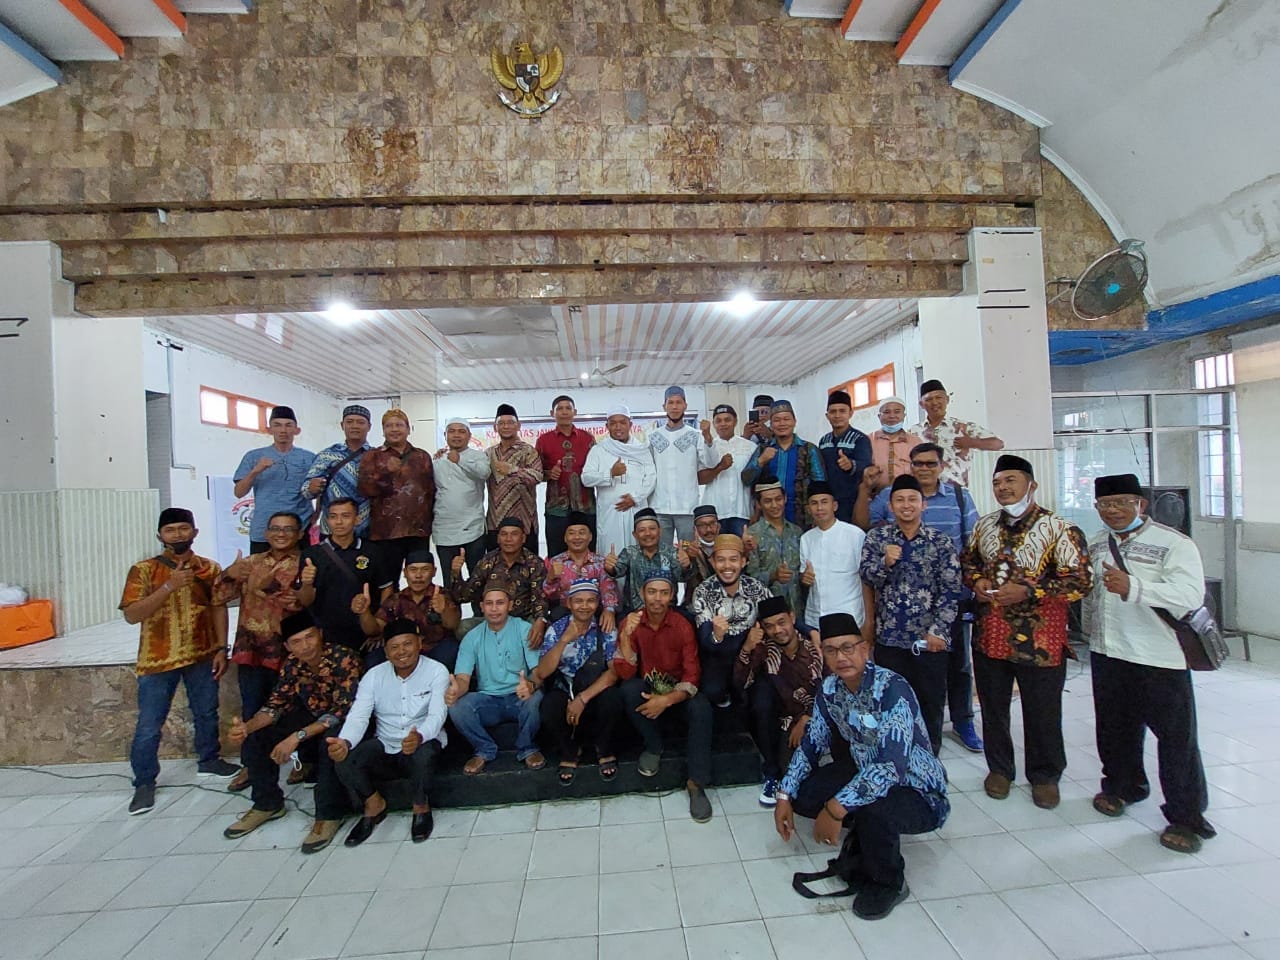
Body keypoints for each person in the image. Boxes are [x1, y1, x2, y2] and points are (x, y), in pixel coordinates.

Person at [774, 613, 949, 921]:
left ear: (864, 649)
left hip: (916, 789)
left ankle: (889, 882)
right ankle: (866, 836)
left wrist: (835, 809)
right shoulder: (830, 689)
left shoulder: (892, 689)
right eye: (831, 650)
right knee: (806, 795)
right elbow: (813, 743)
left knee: (873, 808)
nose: (841, 658)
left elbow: (890, 767)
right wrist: (784, 795)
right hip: (864, 770)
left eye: (848, 648)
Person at [1085, 474, 1215, 854]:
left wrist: (1135, 587)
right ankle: (1123, 787)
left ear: (1141, 504)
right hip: (1109, 653)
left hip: (1159, 658)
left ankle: (1186, 817)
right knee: (1114, 730)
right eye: (1105, 504)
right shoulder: (1097, 544)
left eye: (1121, 503)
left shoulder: (1174, 543)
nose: (1112, 510)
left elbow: (1190, 595)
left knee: (1176, 740)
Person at [961, 455, 1092, 809]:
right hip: (991, 635)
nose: (1003, 487)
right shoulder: (985, 526)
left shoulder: (1059, 528)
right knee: (993, 709)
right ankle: (1000, 769)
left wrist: (1030, 591)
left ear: (1031, 485)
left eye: (1011, 480)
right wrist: (978, 581)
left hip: (1041, 640)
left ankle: (1045, 775)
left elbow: (1081, 581)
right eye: (997, 482)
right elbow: (968, 562)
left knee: (1042, 711)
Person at [857, 442, 983, 753]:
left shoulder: (940, 542)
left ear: (923, 504)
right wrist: (885, 562)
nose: (906, 505)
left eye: (912, 499)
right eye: (899, 500)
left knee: (930, 701)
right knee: (891, 700)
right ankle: (895, 755)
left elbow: (951, 590)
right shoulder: (877, 539)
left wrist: (938, 631)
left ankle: (928, 758)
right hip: (890, 637)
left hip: (930, 639)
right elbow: (867, 577)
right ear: (890, 506)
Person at [119, 507, 238, 816]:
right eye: (170, 530)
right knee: (150, 724)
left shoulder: (209, 568)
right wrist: (169, 586)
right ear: (160, 536)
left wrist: (221, 648)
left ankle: (209, 760)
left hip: (202, 654)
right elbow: (132, 614)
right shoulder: (144, 570)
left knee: (206, 712)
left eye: (183, 528)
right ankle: (144, 782)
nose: (177, 535)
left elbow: (218, 607)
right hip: (158, 659)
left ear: (194, 532)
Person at [222, 610, 360, 853]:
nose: (306, 646)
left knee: (330, 743)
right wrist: (247, 727)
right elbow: (275, 705)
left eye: (310, 637)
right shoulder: (292, 665)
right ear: (287, 646)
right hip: (311, 718)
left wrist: (296, 737)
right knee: (258, 736)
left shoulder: (344, 658)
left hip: (346, 722)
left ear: (320, 634)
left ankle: (328, 815)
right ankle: (267, 804)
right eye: (296, 642)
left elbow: (342, 711)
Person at [327, 619, 450, 845]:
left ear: (419, 643)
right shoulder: (374, 676)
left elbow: (437, 715)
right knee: (344, 758)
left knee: (425, 754)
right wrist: (345, 741)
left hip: (422, 740)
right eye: (394, 647)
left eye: (407, 644)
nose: (402, 652)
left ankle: (420, 807)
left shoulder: (436, 671)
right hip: (386, 742)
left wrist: (419, 736)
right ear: (385, 652)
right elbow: (359, 716)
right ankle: (374, 804)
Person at [212, 511, 304, 792]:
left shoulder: (307, 563)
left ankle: (303, 761)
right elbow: (217, 597)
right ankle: (252, 765)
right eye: (275, 528)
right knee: (252, 708)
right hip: (251, 650)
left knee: (299, 708)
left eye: (288, 529)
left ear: (300, 534)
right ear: (266, 533)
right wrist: (229, 574)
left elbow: (303, 603)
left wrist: (271, 587)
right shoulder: (251, 563)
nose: (281, 534)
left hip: (291, 651)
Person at [612, 573, 715, 822]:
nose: (657, 599)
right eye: (652, 592)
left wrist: (667, 700)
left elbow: (692, 676)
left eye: (664, 593)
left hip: (677, 694)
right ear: (642, 593)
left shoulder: (682, 625)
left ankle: (696, 783)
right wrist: (625, 636)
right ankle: (654, 746)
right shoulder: (631, 622)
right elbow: (625, 673)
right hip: (648, 693)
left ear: (672, 596)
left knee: (701, 707)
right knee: (628, 690)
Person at [531, 579, 625, 784]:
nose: (584, 606)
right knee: (549, 705)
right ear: (569, 603)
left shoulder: (605, 628)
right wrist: (564, 640)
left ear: (597, 603)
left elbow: (614, 672)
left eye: (590, 601)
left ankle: (604, 748)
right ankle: (570, 750)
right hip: (565, 688)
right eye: (578, 601)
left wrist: (582, 699)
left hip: (594, 688)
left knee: (613, 698)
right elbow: (543, 672)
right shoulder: (557, 629)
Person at [445, 583, 545, 773]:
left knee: (536, 698)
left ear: (510, 605)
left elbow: (538, 671)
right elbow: (463, 679)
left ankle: (527, 748)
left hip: (519, 696)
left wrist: (531, 685)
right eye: (489, 603)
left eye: (500, 603)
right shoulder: (472, 637)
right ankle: (484, 749)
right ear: (481, 607)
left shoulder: (524, 629)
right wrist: (456, 690)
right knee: (457, 706)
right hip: (488, 700)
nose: (494, 608)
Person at [733, 595, 822, 806]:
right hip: (782, 722)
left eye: (782, 622)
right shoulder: (765, 649)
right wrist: (747, 648)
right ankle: (772, 772)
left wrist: (807, 717)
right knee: (761, 697)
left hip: (814, 718)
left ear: (792, 618)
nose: (777, 630)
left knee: (806, 787)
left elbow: (831, 691)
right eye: (770, 626)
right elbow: (740, 684)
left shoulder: (815, 647)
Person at [297, 498, 395, 655]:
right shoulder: (312, 554)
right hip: (325, 635)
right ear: (327, 520)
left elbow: (387, 588)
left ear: (357, 519)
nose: (339, 522)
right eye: (333, 516)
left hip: (363, 633)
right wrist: (307, 583)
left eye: (345, 516)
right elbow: (304, 601)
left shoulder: (373, 551)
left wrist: (378, 624)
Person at [690, 533, 772, 708]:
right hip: (718, 659)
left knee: (763, 696)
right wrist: (717, 636)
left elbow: (778, 614)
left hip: (751, 660)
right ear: (712, 562)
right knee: (712, 691)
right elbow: (706, 642)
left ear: (743, 562)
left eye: (733, 559)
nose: (727, 566)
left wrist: (810, 631)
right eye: (721, 560)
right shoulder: (703, 591)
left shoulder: (756, 587)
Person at [357, 408, 435, 576]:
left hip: (418, 532)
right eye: (389, 426)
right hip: (385, 533)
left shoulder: (422, 457)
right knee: (387, 581)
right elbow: (364, 490)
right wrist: (385, 472)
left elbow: (431, 492)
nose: (394, 429)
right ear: (383, 430)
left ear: (408, 429)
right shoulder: (372, 456)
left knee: (420, 577)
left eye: (399, 425)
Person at [451, 516, 549, 647]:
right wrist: (456, 573)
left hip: (523, 620)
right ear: (498, 538)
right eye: (504, 534)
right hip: (493, 620)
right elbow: (465, 596)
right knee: (462, 628)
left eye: (514, 534)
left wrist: (540, 621)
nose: (508, 539)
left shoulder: (534, 563)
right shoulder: (488, 561)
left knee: (539, 630)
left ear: (523, 538)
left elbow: (540, 598)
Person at [233, 406, 315, 554]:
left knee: (302, 567)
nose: (283, 430)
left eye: (288, 425)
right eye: (277, 425)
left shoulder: (309, 458)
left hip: (299, 528)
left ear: (297, 430)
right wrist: (256, 470)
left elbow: (321, 489)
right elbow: (239, 492)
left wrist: (316, 516)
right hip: (263, 529)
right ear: (269, 429)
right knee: (260, 567)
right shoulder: (253, 456)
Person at [581, 403, 656, 558]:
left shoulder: (641, 450)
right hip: (610, 512)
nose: (618, 427)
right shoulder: (599, 450)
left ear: (630, 425)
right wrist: (609, 474)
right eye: (613, 423)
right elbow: (586, 478)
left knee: (639, 552)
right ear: (607, 426)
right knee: (610, 554)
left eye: (622, 422)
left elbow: (651, 477)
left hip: (636, 508)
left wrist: (635, 498)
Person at [741, 399, 826, 530]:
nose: (782, 424)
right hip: (768, 517)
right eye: (777, 420)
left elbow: (820, 484)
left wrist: (817, 514)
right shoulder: (763, 449)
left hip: (803, 517)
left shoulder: (809, 449)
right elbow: (746, 479)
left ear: (794, 422)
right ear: (771, 424)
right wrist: (761, 461)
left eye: (786, 419)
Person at [432, 418, 491, 604]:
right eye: (452, 431)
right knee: (450, 582)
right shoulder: (438, 459)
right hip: (444, 530)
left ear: (469, 435)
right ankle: (451, 619)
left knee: (478, 581)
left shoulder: (478, 456)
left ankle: (480, 618)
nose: (456, 435)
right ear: (445, 435)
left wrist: (460, 460)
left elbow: (484, 473)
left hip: (473, 528)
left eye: (461, 431)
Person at [375, 549, 461, 670]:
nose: (418, 575)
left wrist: (444, 610)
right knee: (374, 658)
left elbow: (453, 624)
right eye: (413, 570)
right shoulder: (396, 599)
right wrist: (364, 613)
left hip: (435, 649)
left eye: (425, 569)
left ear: (434, 571)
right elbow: (377, 628)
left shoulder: (444, 595)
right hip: (403, 650)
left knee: (451, 650)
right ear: (405, 573)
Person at [799, 481, 868, 629]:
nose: (819, 508)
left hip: (849, 614)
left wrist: (868, 621)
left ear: (834, 506)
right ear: (808, 509)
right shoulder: (806, 538)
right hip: (816, 617)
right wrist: (805, 578)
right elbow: (805, 577)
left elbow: (866, 579)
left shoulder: (855, 535)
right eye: (814, 503)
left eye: (824, 502)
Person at [912, 379, 1004, 489]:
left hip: (957, 490)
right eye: (929, 399)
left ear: (947, 399)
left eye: (939, 397)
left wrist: (972, 442)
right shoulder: (914, 432)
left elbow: (998, 444)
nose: (935, 402)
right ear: (921, 404)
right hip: (923, 491)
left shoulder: (963, 427)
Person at [536, 394, 597, 556]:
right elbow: (535, 473)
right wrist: (549, 474)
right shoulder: (543, 440)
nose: (564, 412)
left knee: (588, 554)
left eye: (568, 408)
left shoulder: (588, 439)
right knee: (556, 554)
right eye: (560, 409)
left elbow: (597, 468)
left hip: (586, 506)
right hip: (556, 508)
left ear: (575, 412)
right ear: (552, 413)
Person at [301, 405, 374, 537]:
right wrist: (311, 488)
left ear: (369, 426)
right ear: (342, 425)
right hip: (331, 531)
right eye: (350, 422)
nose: (355, 426)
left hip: (368, 531)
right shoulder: (327, 455)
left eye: (360, 422)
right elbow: (306, 491)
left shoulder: (377, 456)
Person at [542, 511, 621, 633]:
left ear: (590, 537)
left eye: (582, 532)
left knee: (611, 627)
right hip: (565, 613)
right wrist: (550, 579)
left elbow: (608, 589)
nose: (577, 537)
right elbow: (549, 596)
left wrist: (609, 609)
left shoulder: (600, 562)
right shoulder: (556, 562)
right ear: (565, 538)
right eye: (571, 533)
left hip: (594, 612)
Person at [604, 507, 691, 614]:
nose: (648, 533)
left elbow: (681, 577)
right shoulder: (629, 553)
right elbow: (617, 571)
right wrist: (610, 568)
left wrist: (685, 566)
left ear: (660, 531)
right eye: (642, 530)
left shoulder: (672, 553)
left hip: (667, 612)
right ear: (635, 535)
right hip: (635, 612)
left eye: (652, 529)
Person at [649, 385, 702, 548]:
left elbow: (709, 462)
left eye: (678, 402)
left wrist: (708, 439)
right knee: (661, 553)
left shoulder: (695, 435)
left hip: (687, 507)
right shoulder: (653, 436)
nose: (674, 407)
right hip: (659, 505)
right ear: (664, 406)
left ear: (685, 405)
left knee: (688, 552)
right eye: (670, 402)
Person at [485, 403, 542, 550]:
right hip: (496, 521)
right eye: (501, 423)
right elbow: (474, 470)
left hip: (524, 521)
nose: (506, 426)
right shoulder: (489, 453)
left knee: (528, 562)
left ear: (518, 426)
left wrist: (512, 470)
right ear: (495, 427)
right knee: (495, 562)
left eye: (510, 422)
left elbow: (537, 476)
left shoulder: (528, 450)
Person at [744, 481, 804, 615]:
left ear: (785, 498)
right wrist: (773, 576)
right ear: (758, 504)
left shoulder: (797, 532)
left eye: (778, 499)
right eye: (768, 501)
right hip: (769, 612)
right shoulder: (752, 535)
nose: (774, 505)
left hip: (797, 608)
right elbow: (749, 578)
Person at [697, 404, 756, 537]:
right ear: (714, 424)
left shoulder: (750, 447)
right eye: (718, 421)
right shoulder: (706, 447)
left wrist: (756, 512)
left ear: (735, 421)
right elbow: (700, 479)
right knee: (715, 549)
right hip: (715, 514)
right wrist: (720, 467)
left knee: (741, 549)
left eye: (727, 420)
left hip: (742, 511)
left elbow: (755, 479)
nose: (723, 424)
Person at [817, 390, 872, 523]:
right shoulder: (824, 441)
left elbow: (867, 466)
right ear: (827, 415)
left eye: (842, 411)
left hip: (853, 501)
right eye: (833, 411)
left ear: (850, 413)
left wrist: (851, 465)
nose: (837, 415)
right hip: (829, 502)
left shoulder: (860, 439)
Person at [867, 396, 921, 490]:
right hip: (875, 494)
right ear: (879, 416)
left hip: (907, 493)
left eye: (897, 412)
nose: (892, 416)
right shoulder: (867, 440)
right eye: (886, 412)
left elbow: (921, 469)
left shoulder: (915, 442)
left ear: (904, 416)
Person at [679, 505, 721, 611]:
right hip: (696, 605)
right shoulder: (687, 548)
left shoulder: (728, 546)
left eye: (712, 523)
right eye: (702, 525)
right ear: (695, 529)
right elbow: (682, 575)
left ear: (719, 526)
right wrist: (687, 564)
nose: (708, 529)